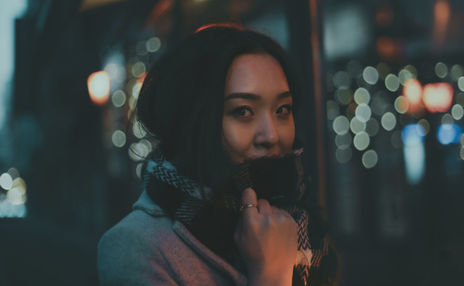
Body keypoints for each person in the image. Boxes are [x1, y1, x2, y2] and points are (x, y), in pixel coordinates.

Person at [97, 23, 339, 286]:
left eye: (282, 109)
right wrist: (270, 275)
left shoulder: (302, 222)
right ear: (193, 122)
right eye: (243, 111)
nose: (271, 136)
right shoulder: (137, 247)